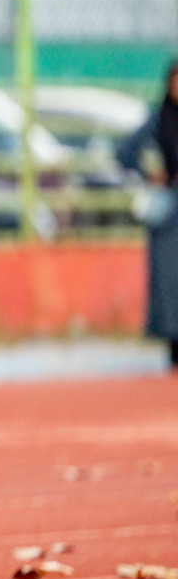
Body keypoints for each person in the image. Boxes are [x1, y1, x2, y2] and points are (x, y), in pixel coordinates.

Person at [117, 58, 178, 367]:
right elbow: (125, 153)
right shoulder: (159, 121)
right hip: (169, 216)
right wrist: (151, 175)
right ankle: (172, 342)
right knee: (168, 282)